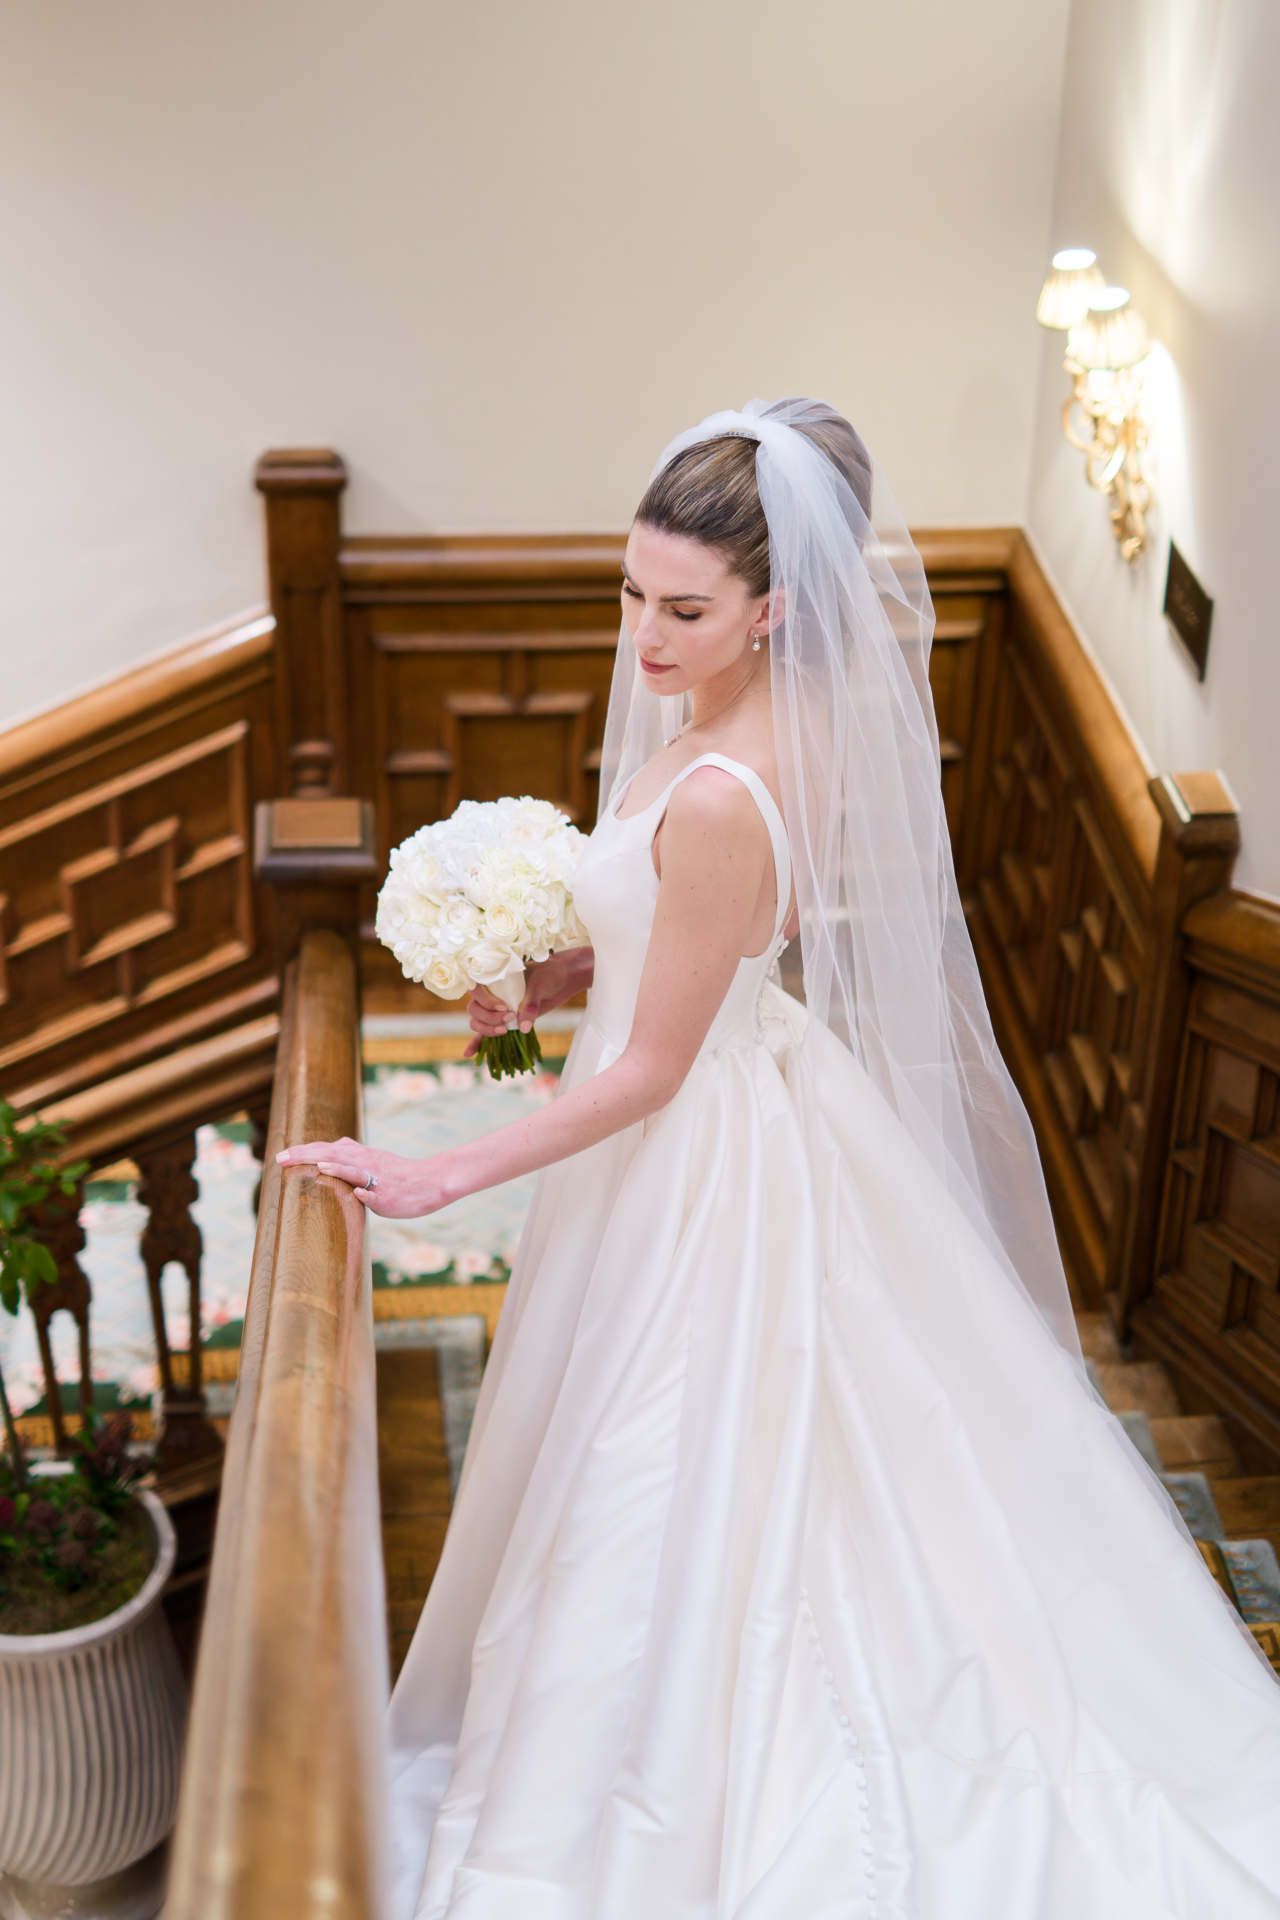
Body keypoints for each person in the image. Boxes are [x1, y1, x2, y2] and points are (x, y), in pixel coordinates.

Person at [279, 399, 1280, 1918]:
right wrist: (553, 975)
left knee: (678, 1455)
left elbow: (654, 1070)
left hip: (698, 1152)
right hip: (757, 1091)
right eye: (631, 593)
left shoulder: (723, 798)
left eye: (684, 609)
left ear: (776, 606)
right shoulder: (774, 728)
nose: (645, 635)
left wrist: (444, 1175)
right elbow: (710, 958)